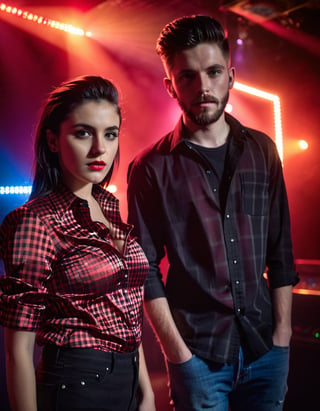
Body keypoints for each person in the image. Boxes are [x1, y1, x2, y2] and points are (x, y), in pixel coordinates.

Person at [127, 15, 299, 411]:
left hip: (265, 347)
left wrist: (283, 335)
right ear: (170, 85)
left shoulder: (263, 150)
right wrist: (177, 354)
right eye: (187, 76)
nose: (203, 86)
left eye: (213, 72)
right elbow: (144, 269)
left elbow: (282, 250)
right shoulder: (151, 167)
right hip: (197, 354)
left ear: (231, 76)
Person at [0, 75, 156, 411]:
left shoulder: (112, 211)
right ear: (53, 141)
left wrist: (146, 392)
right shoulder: (35, 221)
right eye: (84, 133)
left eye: (110, 134)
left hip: (129, 382)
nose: (100, 148)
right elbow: (17, 353)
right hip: (76, 388)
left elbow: (126, 312)